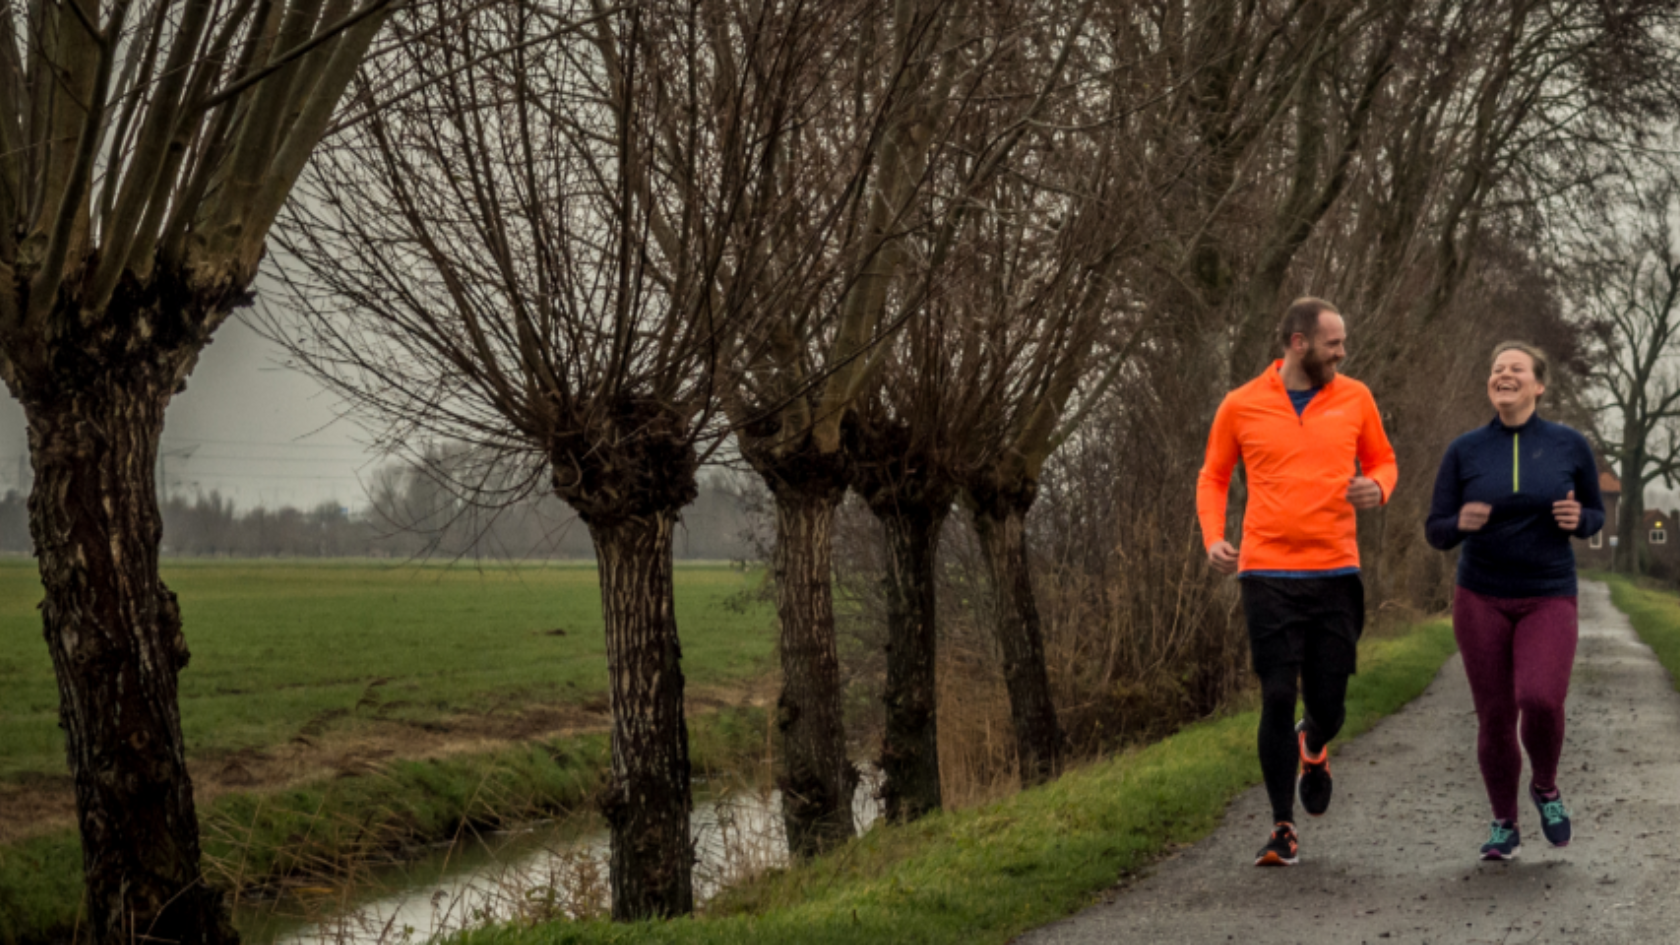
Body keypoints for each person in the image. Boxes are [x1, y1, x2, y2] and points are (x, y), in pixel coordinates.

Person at [1197, 297, 1398, 867]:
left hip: (1335, 570)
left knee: (1328, 703)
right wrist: (1214, 536)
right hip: (1266, 572)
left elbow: (1384, 461)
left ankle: (1315, 742)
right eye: (1334, 342)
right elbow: (1212, 476)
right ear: (1297, 342)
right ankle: (1282, 826)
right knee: (1277, 693)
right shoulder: (1241, 405)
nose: (1343, 351)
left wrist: (1377, 488)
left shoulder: (1356, 397)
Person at [1425, 341, 1604, 861]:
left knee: (1541, 699)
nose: (1503, 374)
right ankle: (1504, 822)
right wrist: (1460, 522)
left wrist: (1582, 522)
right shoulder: (1465, 450)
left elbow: (1594, 511)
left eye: (1515, 368)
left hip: (1548, 594)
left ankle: (1545, 786)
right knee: (1496, 715)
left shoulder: (1570, 445)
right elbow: (1436, 529)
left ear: (1538, 385)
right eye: (1496, 369)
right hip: (1480, 594)